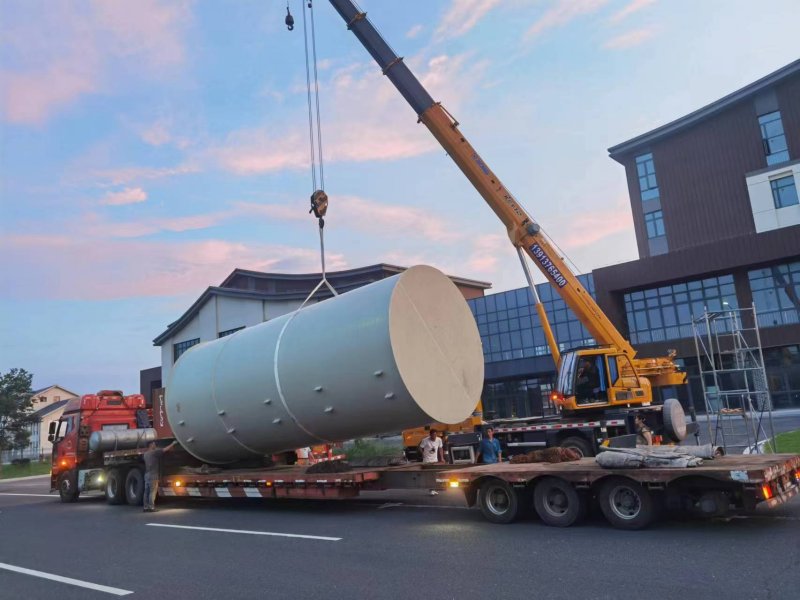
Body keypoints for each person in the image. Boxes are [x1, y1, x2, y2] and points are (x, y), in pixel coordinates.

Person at [143, 440, 178, 512]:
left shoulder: (145, 454)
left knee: (146, 492)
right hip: (153, 475)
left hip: (147, 474)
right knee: (152, 492)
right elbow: (165, 449)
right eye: (154, 444)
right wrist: (173, 443)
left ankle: (145, 507)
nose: (155, 445)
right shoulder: (154, 452)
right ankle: (151, 507)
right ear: (151, 445)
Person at [419, 429, 444, 496]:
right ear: (430, 435)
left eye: (435, 435)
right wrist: (423, 454)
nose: (434, 437)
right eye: (433, 435)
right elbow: (420, 447)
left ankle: (434, 489)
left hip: (435, 460)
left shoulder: (439, 440)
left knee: (435, 474)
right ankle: (431, 489)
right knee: (430, 475)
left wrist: (442, 458)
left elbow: (440, 448)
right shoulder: (425, 440)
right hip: (427, 460)